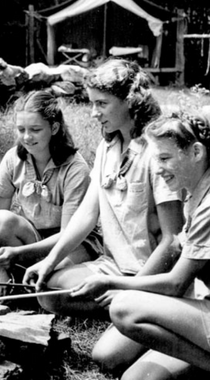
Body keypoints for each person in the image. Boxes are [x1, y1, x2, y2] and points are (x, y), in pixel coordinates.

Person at [23, 59, 184, 372]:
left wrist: (131, 288)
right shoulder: (107, 146)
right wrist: (50, 260)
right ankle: (127, 318)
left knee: (106, 358)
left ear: (130, 102)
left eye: (102, 104)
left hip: (151, 275)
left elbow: (173, 240)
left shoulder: (157, 152)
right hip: (114, 266)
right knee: (49, 290)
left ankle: (146, 319)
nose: (94, 113)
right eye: (91, 103)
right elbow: (87, 213)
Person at [71, 112, 210, 379]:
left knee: (124, 308)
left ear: (196, 152)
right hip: (204, 304)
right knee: (135, 377)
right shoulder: (195, 192)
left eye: (165, 158)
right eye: (156, 158)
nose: (157, 168)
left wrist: (112, 283)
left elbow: (175, 284)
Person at [0, 89, 102, 296]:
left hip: (73, 243)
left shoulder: (75, 169)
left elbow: (70, 233)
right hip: (35, 236)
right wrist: (1, 267)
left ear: (54, 127)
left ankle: (33, 275)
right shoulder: (13, 158)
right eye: (21, 129)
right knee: (0, 220)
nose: (26, 137)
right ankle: (20, 273)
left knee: (51, 282)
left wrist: (18, 253)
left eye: (35, 129)